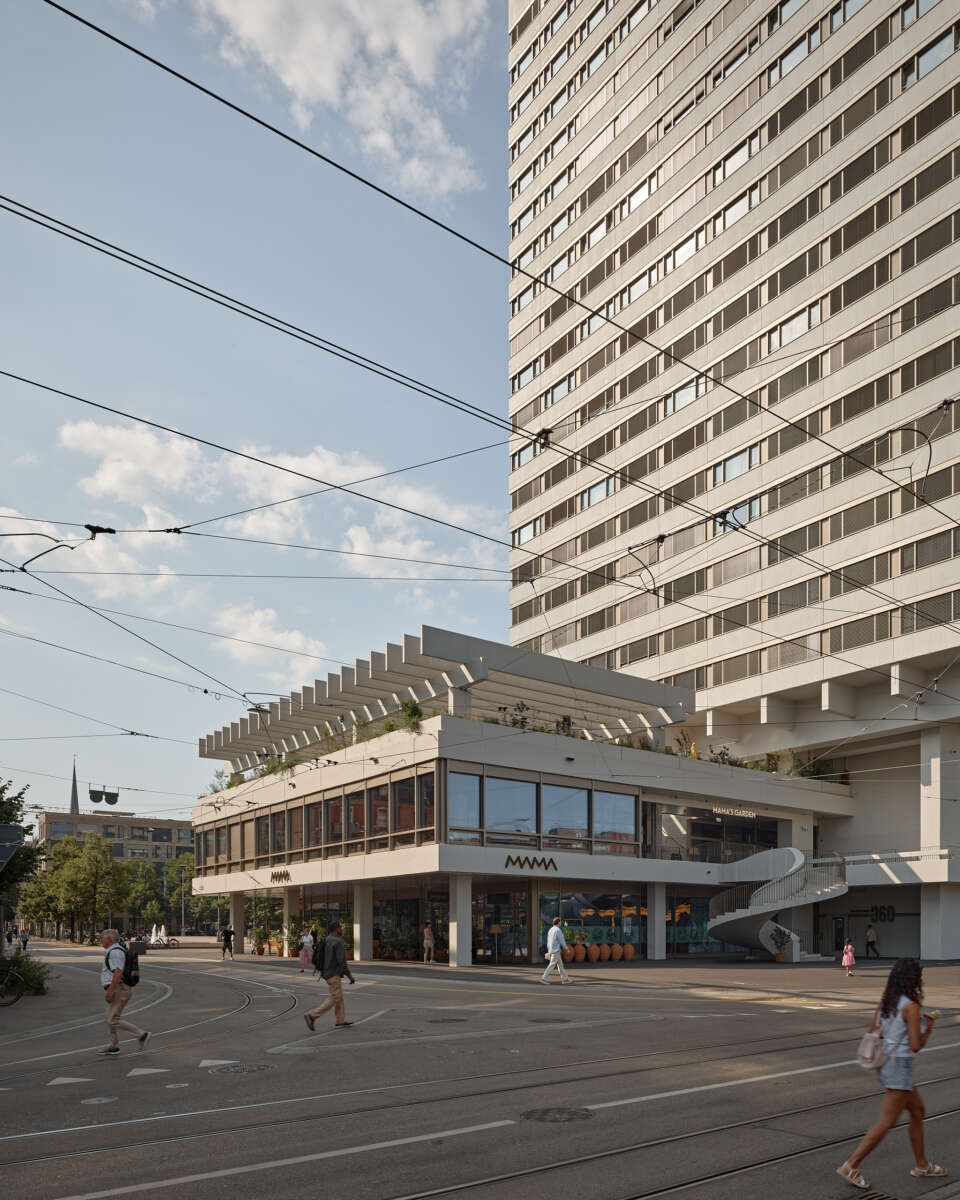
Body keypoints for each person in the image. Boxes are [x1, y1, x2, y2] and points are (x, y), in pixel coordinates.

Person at [837, 958, 946, 1188]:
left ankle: (922, 1164)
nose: (921, 979)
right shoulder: (911, 1006)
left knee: (917, 1111)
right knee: (886, 1122)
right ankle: (851, 1165)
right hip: (901, 1067)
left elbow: (873, 1030)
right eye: (919, 975)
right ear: (912, 979)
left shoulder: (888, 1001)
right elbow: (916, 1045)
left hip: (887, 1064)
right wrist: (928, 1030)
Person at [99, 929, 150, 1056]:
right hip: (118, 988)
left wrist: (110, 991)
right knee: (110, 1017)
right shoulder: (114, 950)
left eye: (102, 938)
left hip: (119, 989)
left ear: (110, 939)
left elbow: (118, 972)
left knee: (112, 1020)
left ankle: (142, 1034)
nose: (101, 940)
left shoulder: (115, 952)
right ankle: (113, 1046)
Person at [303, 921, 355, 1030]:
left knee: (339, 996)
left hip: (325, 972)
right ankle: (312, 1015)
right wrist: (349, 975)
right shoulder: (338, 941)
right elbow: (342, 962)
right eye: (341, 927)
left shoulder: (326, 939)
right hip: (333, 973)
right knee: (335, 997)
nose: (342, 929)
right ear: (336, 929)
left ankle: (340, 1021)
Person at [541, 917, 570, 985]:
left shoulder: (551, 930)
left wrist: (549, 950)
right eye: (560, 922)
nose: (561, 923)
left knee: (560, 965)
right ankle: (543, 978)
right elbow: (561, 940)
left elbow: (548, 941)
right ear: (558, 922)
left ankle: (565, 979)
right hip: (556, 950)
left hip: (552, 950)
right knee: (552, 965)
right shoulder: (558, 930)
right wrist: (566, 949)